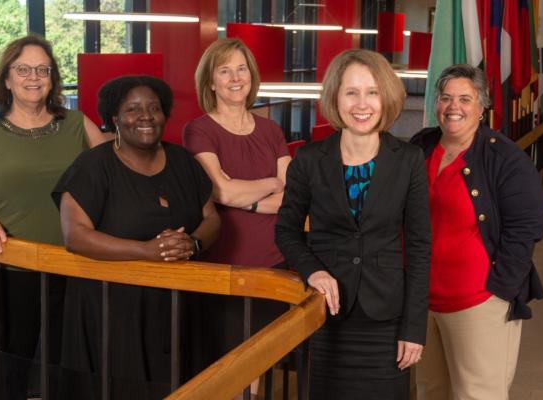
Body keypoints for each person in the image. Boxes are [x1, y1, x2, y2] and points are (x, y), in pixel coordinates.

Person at [0, 34, 106, 399]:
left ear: (53, 77)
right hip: (10, 264)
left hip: (76, 263)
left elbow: (117, 174)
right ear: (7, 78)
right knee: (11, 359)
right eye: (23, 69)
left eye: (42, 69)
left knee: (72, 358)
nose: (34, 77)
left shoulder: (78, 124)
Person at [275, 49, 432, 400]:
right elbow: (286, 230)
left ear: (386, 97)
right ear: (335, 97)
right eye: (351, 92)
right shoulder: (309, 160)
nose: (362, 104)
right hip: (329, 315)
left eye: (372, 92)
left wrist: (414, 327)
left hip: (387, 318)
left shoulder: (408, 160)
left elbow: (420, 249)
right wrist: (312, 270)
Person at [52, 75, 220, 399]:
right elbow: (75, 235)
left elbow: (212, 217)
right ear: (114, 118)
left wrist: (193, 243)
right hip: (113, 311)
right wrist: (146, 250)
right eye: (133, 109)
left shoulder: (184, 161)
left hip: (179, 304)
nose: (145, 116)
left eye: (154, 108)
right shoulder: (93, 166)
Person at [410, 64, 543, 399]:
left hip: (477, 303)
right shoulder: (421, 146)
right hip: (422, 301)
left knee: (477, 394)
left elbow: (527, 225)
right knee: (431, 391)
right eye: (445, 98)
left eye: (464, 99)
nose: (453, 106)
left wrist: (499, 289)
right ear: (435, 104)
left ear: (481, 108)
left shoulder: (505, 158)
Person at [182, 38, 291, 372]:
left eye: (241, 68)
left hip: (275, 263)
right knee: (229, 367)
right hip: (225, 265)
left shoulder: (271, 129)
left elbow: (293, 196)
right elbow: (222, 193)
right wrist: (272, 184)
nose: (235, 78)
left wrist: (251, 198)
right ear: (210, 82)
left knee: (260, 363)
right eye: (224, 70)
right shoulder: (199, 130)